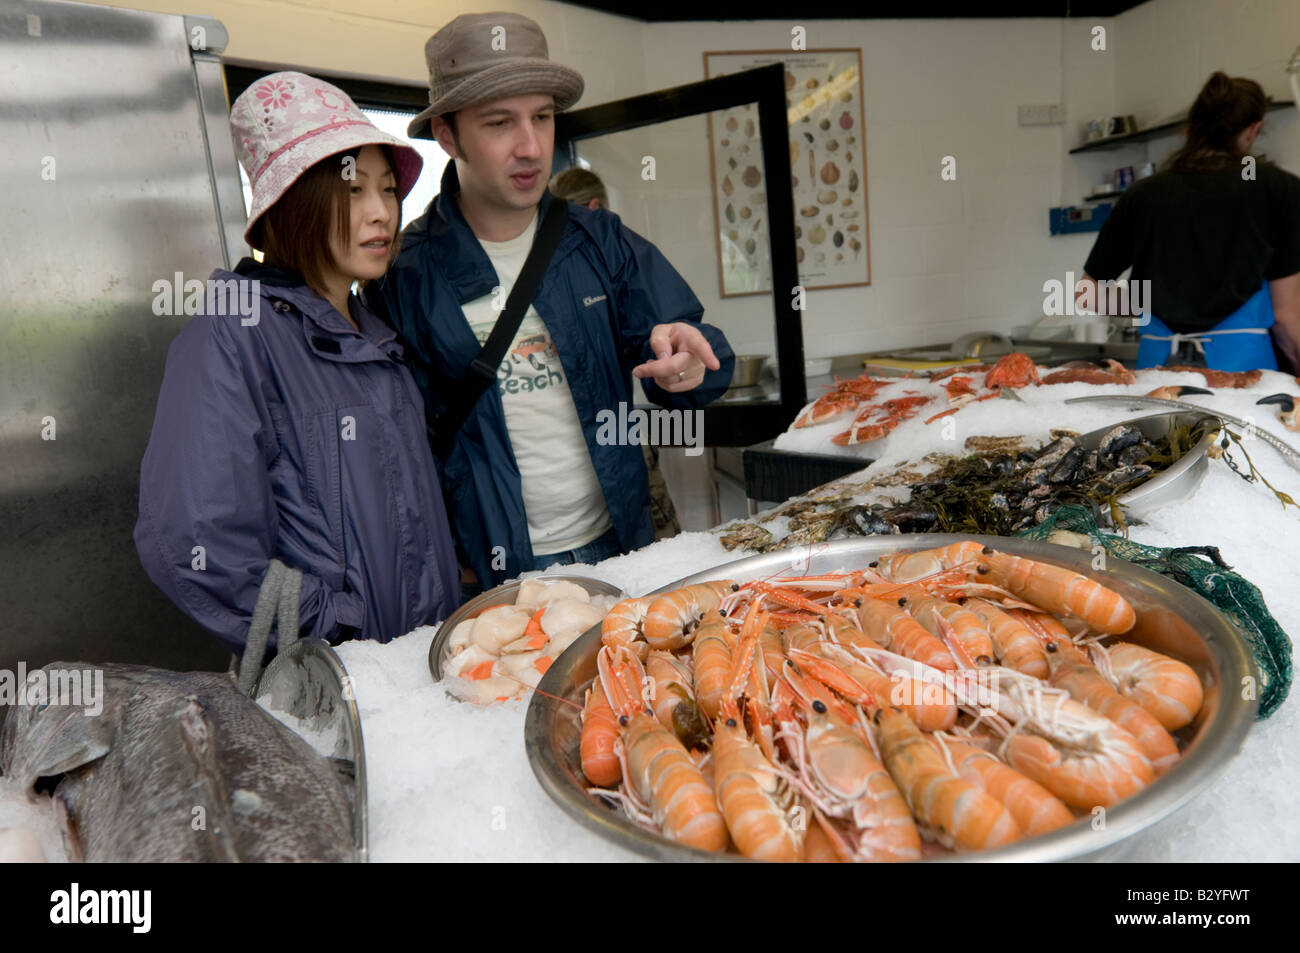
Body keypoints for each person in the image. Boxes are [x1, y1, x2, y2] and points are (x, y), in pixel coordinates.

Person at [367, 12, 734, 591]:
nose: (532, 146)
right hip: (499, 568)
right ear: (447, 134)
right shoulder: (404, 276)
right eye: (499, 123)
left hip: (624, 542)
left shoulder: (599, 240)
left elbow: (693, 346)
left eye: (542, 117)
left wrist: (688, 364)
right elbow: (400, 446)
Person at [135, 72, 460, 658]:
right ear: (294, 204)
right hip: (331, 688)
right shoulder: (230, 336)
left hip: (420, 673)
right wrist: (335, 627)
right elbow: (193, 547)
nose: (382, 212)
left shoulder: (379, 335)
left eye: (388, 189)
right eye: (353, 190)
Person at [1076, 72, 1300, 372]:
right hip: (1244, 376)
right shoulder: (1279, 189)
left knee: (1163, 421)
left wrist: (1152, 306)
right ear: (1252, 129)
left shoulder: (1142, 194)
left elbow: (1088, 295)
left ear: (1191, 129)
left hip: (1159, 373)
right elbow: (1287, 316)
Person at [549, 167, 683, 541]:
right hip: (614, 433)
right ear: (595, 207)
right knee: (657, 537)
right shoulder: (598, 257)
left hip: (559, 477)